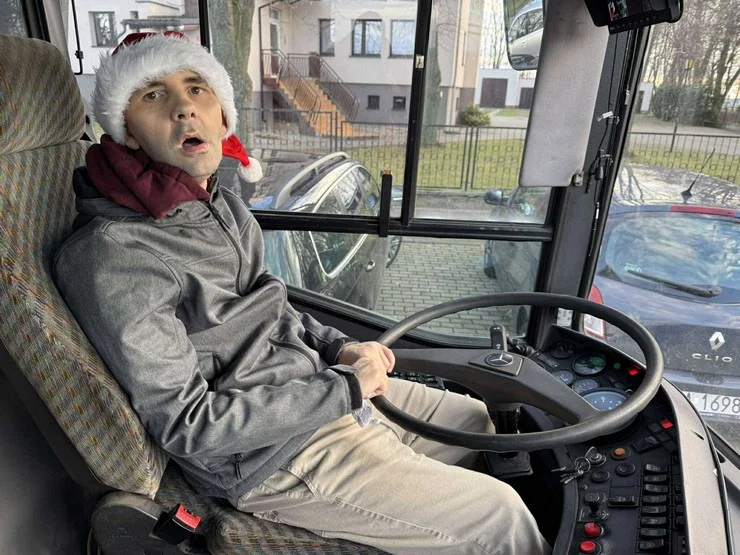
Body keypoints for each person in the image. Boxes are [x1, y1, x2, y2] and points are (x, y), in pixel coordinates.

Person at [53, 32, 551, 555]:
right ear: (127, 131)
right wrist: (344, 389)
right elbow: (190, 426)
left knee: (479, 421)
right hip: (271, 455)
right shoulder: (117, 255)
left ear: (222, 116)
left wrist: (339, 348)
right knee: (501, 517)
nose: (184, 107)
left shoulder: (218, 206)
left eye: (196, 88)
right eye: (153, 95)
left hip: (313, 386)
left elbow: (272, 306)